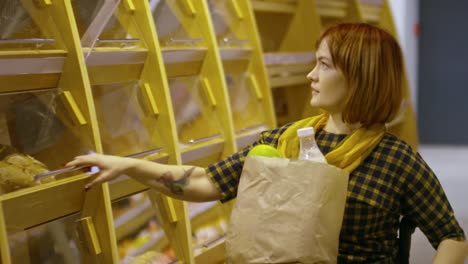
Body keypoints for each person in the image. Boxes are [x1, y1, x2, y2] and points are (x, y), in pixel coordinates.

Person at [67, 23, 467, 263]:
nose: (311, 74)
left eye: (324, 65)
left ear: (359, 76)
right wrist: (129, 166)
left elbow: (451, 235)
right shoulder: (283, 141)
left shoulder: (395, 160)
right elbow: (205, 182)